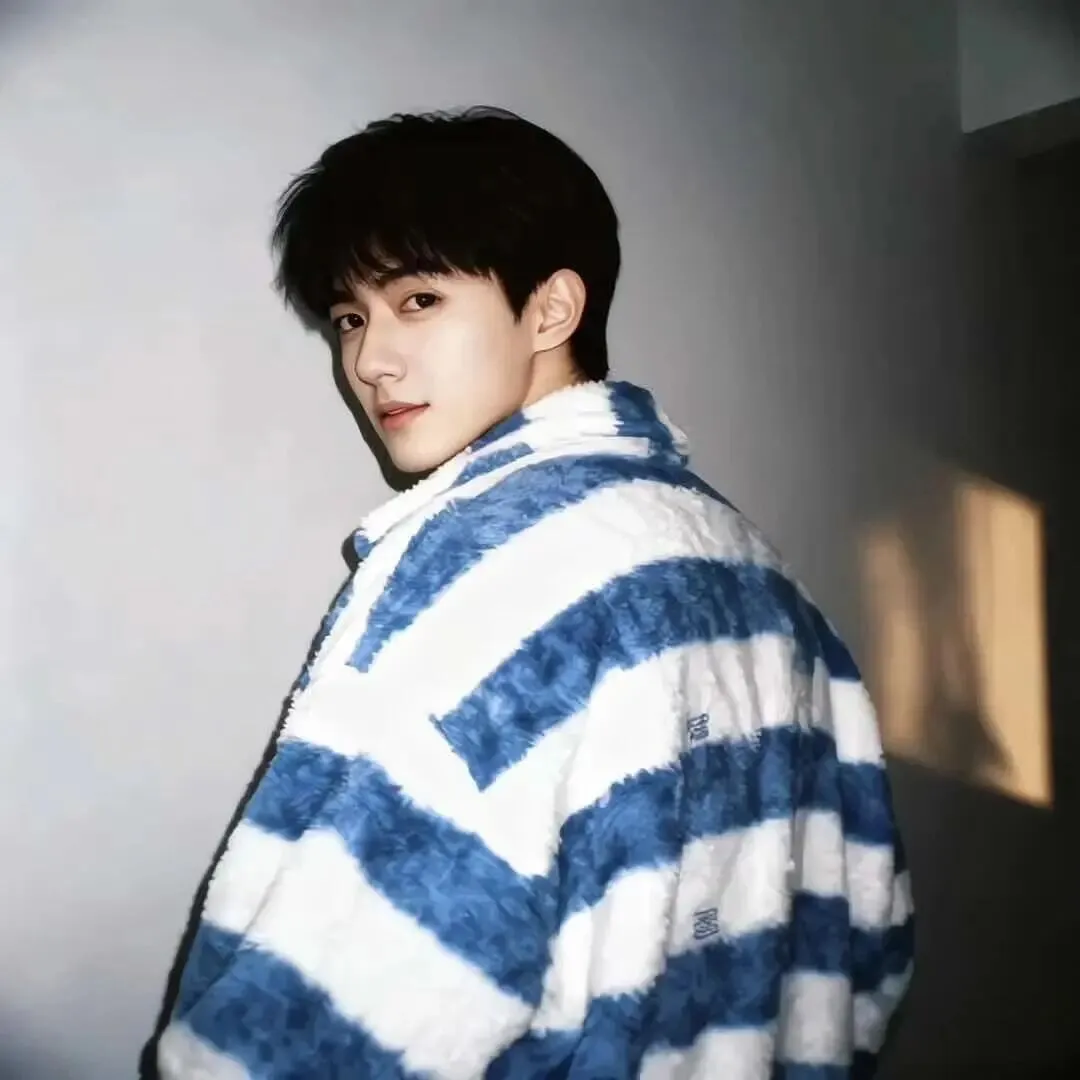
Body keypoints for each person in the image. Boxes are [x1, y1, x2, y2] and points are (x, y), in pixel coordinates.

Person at [155, 106, 913, 1080]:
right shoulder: (753, 571)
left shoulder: (487, 568)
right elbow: (870, 930)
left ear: (550, 310)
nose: (369, 360)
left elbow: (317, 1023)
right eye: (350, 318)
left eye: (418, 300)